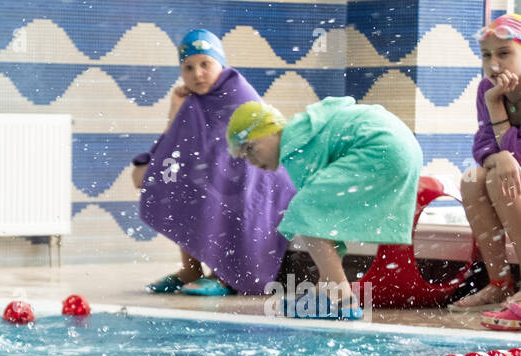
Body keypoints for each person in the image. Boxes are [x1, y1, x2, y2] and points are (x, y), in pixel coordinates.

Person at [228, 96, 423, 320]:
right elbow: (324, 226)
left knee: (304, 209)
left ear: (272, 131)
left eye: (251, 147)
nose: (250, 159)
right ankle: (327, 293)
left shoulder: (295, 146)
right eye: (244, 155)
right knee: (311, 211)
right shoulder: (305, 132)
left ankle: (342, 299)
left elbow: (314, 220)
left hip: (381, 149)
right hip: (402, 149)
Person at [132, 29, 294, 296]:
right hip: (222, 174)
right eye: (188, 67)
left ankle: (223, 274)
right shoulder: (193, 100)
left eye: (205, 64)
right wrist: (174, 111)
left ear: (221, 62)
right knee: (181, 187)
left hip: (263, 177)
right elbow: (176, 148)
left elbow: (244, 152)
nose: (197, 74)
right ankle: (191, 268)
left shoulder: (237, 92)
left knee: (219, 188)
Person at [454, 15, 521, 312]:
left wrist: (497, 109)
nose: (494, 64)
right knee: (473, 178)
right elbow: (482, 145)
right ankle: (499, 283)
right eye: (486, 55)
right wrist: (500, 156)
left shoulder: (493, 96)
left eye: (504, 53)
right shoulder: (487, 88)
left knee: (498, 178)